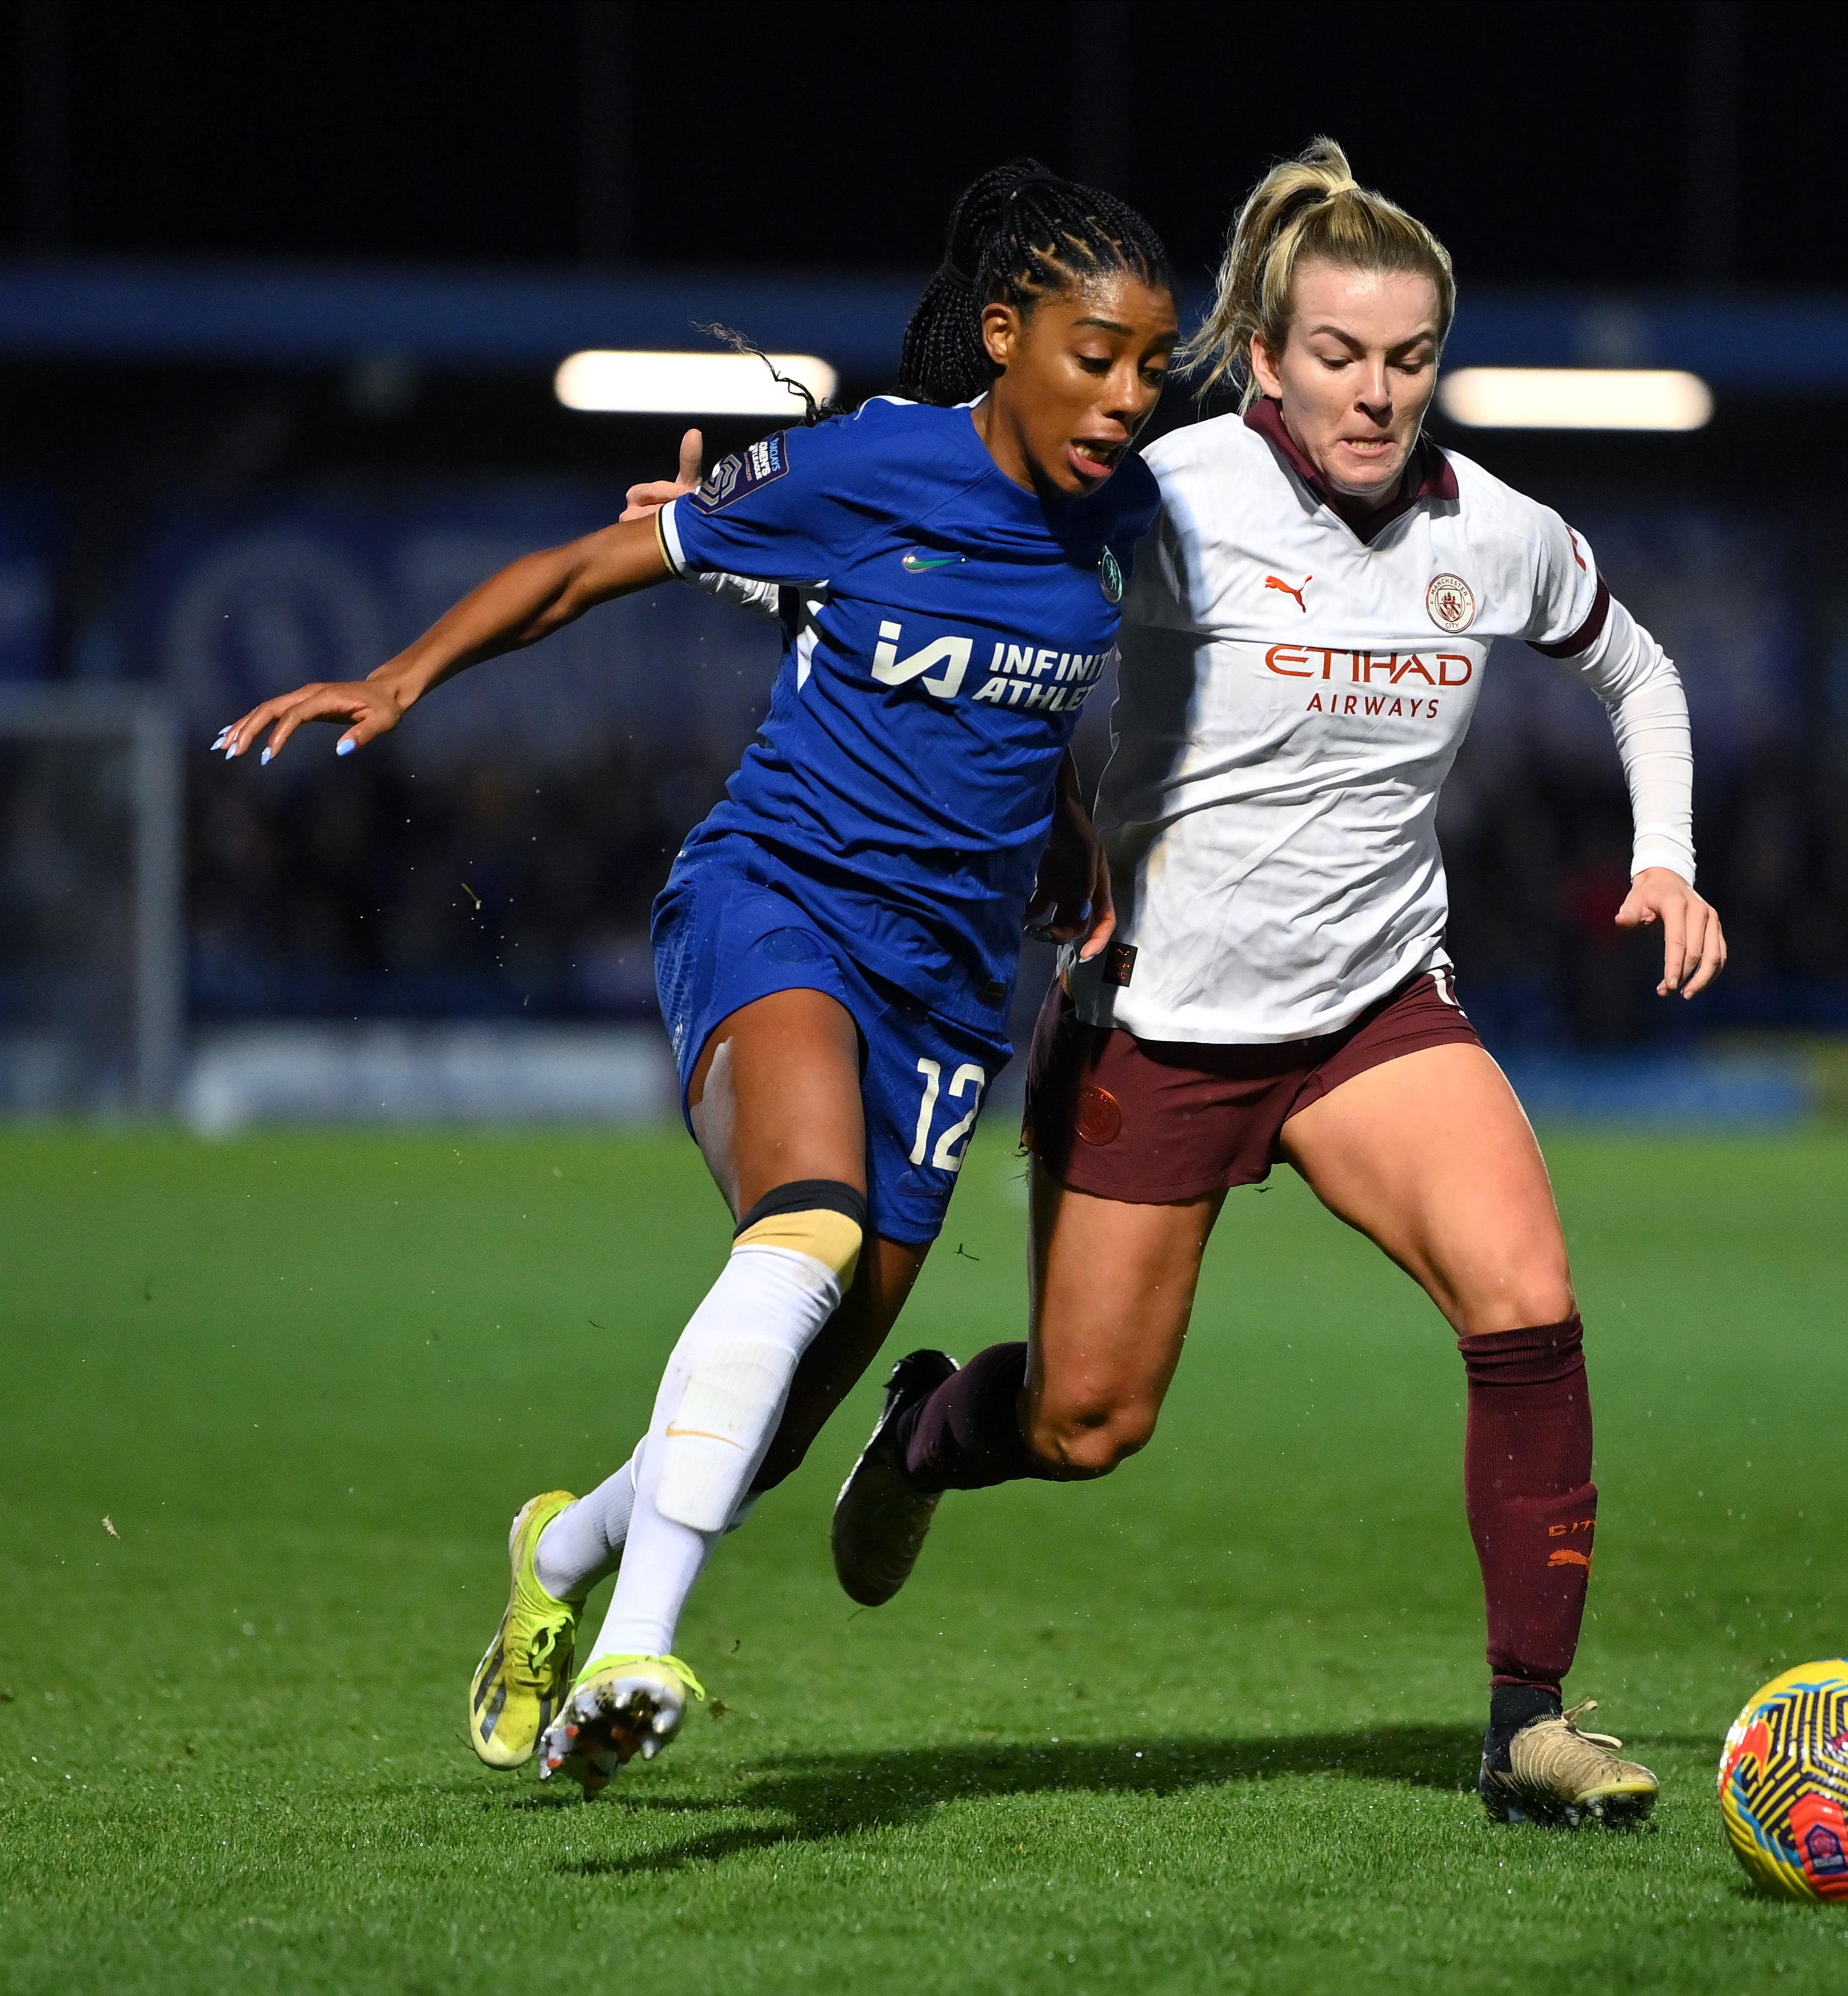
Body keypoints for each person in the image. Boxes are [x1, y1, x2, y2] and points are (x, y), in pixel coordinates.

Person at [214, 162, 1172, 1795]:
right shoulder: (874, 464)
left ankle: (560, 1548)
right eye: (1095, 356)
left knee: (783, 1422)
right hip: (775, 902)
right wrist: (402, 674)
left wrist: (1068, 828)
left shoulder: (1124, 533)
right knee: (802, 1226)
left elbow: (1008, 705)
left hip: (948, 998)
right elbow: (602, 564)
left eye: (1152, 366)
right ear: (1002, 338)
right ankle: (639, 1646)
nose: (1126, 396)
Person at [828, 139, 1726, 1831]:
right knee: (1090, 1425)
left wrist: (1662, 854)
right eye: (1336, 355)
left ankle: (1529, 1726)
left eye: (1405, 359)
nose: (1374, 392)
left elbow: (1636, 665)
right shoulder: (1167, 496)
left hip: (1374, 1012)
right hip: (1155, 1029)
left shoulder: (1495, 531)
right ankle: (932, 1429)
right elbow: (944, 564)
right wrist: (723, 524)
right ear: (1260, 357)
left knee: (1526, 1303)